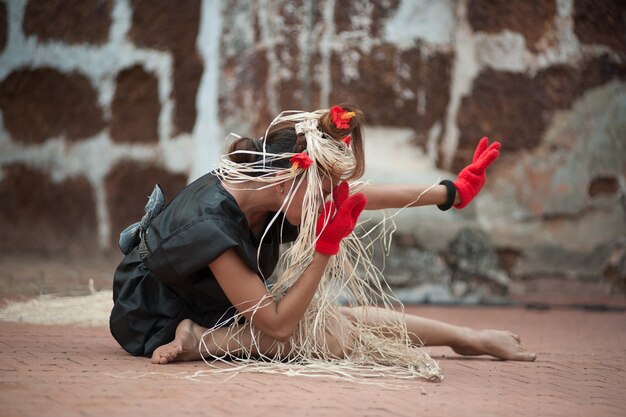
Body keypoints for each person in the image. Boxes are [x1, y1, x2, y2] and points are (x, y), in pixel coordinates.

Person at [109, 105, 536, 382]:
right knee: (324, 338)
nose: (328, 204)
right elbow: (277, 325)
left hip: (208, 297)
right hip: (156, 311)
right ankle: (199, 341)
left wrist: (451, 192)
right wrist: (323, 251)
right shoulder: (212, 228)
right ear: (285, 182)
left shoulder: (271, 187)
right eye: (321, 193)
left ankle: (469, 339)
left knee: (335, 321)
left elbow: (362, 196)